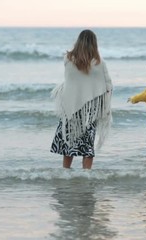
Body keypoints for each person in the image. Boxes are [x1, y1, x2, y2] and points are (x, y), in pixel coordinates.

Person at [50, 29, 113, 169]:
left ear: (78, 42)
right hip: (89, 110)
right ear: (94, 44)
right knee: (87, 146)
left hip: (70, 107)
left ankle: (66, 173)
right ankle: (86, 175)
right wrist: (104, 104)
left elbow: (72, 80)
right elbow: (108, 86)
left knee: (68, 142)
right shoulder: (100, 63)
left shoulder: (67, 59)